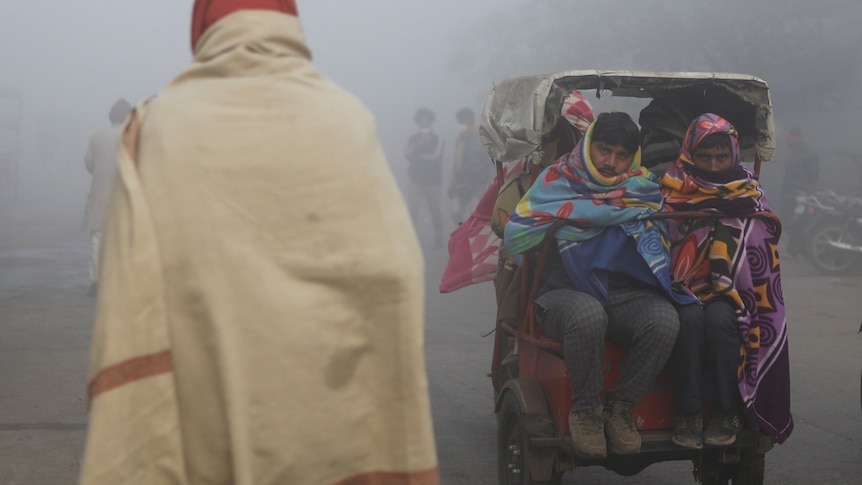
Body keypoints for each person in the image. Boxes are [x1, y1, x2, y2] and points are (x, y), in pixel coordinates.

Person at [79, 2, 439, 484]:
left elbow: (128, 294)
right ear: (291, 26)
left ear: (204, 29)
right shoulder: (347, 117)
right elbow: (396, 268)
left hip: (204, 400)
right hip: (331, 410)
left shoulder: (158, 126)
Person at [503, 112, 694, 459]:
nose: (611, 162)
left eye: (622, 155)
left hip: (621, 295)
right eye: (604, 150)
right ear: (588, 147)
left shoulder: (643, 189)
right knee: (588, 313)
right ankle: (586, 411)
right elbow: (517, 233)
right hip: (558, 296)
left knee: (665, 318)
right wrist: (572, 217)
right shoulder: (554, 181)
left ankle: (620, 408)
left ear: (633, 157)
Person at [660, 113, 793, 450]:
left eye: (722, 157)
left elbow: (761, 250)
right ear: (690, 154)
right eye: (705, 157)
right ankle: (688, 413)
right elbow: (657, 243)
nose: (714, 165)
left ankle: (725, 411)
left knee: (721, 320)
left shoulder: (751, 194)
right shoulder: (670, 187)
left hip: (732, 290)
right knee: (688, 319)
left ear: (733, 154)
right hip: (677, 288)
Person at [82, 98, 131, 297]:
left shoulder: (96, 136)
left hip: (100, 195)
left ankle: (96, 280)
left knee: (97, 240)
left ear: (111, 116)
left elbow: (89, 164)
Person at [405, 107, 445, 247]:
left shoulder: (438, 138)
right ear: (417, 123)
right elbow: (408, 155)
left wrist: (418, 153)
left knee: (435, 210)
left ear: (431, 122)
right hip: (416, 180)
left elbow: (436, 156)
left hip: (433, 181)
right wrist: (419, 148)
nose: (424, 124)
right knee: (412, 210)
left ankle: (439, 237)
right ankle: (410, 239)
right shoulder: (413, 138)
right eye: (421, 121)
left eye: (426, 121)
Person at [447, 107, 493, 225]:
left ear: (470, 121)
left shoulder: (481, 138)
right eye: (459, 122)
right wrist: (452, 183)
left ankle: (472, 239)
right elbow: (456, 163)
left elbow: (489, 163)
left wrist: (489, 184)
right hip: (461, 182)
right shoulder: (460, 139)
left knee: (476, 213)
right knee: (456, 213)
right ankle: (462, 235)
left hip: (477, 182)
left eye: (461, 121)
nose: (459, 125)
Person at [779, 128, 820, 256]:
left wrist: (807, 189)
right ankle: (794, 248)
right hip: (789, 192)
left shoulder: (809, 154)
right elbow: (787, 174)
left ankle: (803, 249)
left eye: (789, 139)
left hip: (801, 193)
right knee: (787, 220)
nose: (787, 142)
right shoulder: (791, 154)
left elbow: (813, 175)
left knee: (797, 222)